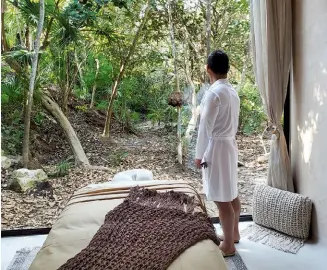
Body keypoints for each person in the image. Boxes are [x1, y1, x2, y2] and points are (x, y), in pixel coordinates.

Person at [195, 50, 241, 257]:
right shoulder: (232, 91)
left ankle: (228, 245)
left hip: (217, 147)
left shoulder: (213, 93)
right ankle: (235, 234)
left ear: (208, 69)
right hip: (230, 146)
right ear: (227, 69)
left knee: (222, 199)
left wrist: (198, 154)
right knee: (231, 192)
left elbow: (205, 127)